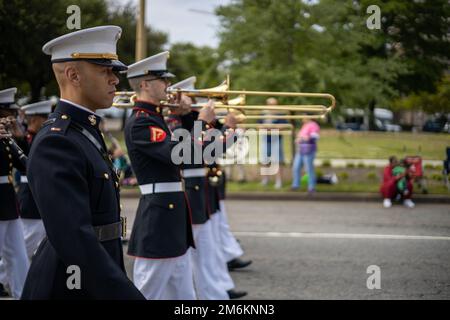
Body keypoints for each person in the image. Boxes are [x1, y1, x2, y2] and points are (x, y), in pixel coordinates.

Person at [21, 26, 145, 299]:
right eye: (106, 71)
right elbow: (75, 239)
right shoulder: (59, 142)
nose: (115, 80)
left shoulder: (84, 130)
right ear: (73, 75)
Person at [124, 52, 218, 299]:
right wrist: (203, 124)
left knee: (184, 295)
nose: (168, 85)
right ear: (144, 84)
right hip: (159, 218)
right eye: (162, 80)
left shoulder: (155, 117)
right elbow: (181, 154)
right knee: (147, 293)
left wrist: (186, 116)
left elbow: (199, 151)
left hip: (173, 215)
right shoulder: (142, 123)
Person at [0, 88, 29, 299]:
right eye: (8, 113)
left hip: (9, 202)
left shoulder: (6, 137)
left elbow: (27, 166)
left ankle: (23, 294)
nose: (11, 118)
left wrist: (21, 139)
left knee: (18, 254)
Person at [260, 97, 287, 189]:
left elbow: (283, 126)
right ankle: (265, 180)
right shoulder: (263, 113)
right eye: (270, 104)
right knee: (264, 161)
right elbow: (258, 125)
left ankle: (279, 181)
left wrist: (272, 127)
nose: (271, 106)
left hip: (276, 140)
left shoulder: (280, 113)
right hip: (265, 139)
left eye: (273, 104)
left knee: (277, 161)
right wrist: (265, 127)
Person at [291, 118, 320, 193]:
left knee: (309, 169)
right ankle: (296, 185)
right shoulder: (304, 125)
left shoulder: (313, 125)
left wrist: (306, 138)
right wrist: (298, 139)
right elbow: (301, 136)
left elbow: (315, 137)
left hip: (309, 150)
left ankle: (311, 187)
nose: (302, 118)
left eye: (304, 117)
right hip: (301, 149)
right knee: (296, 167)